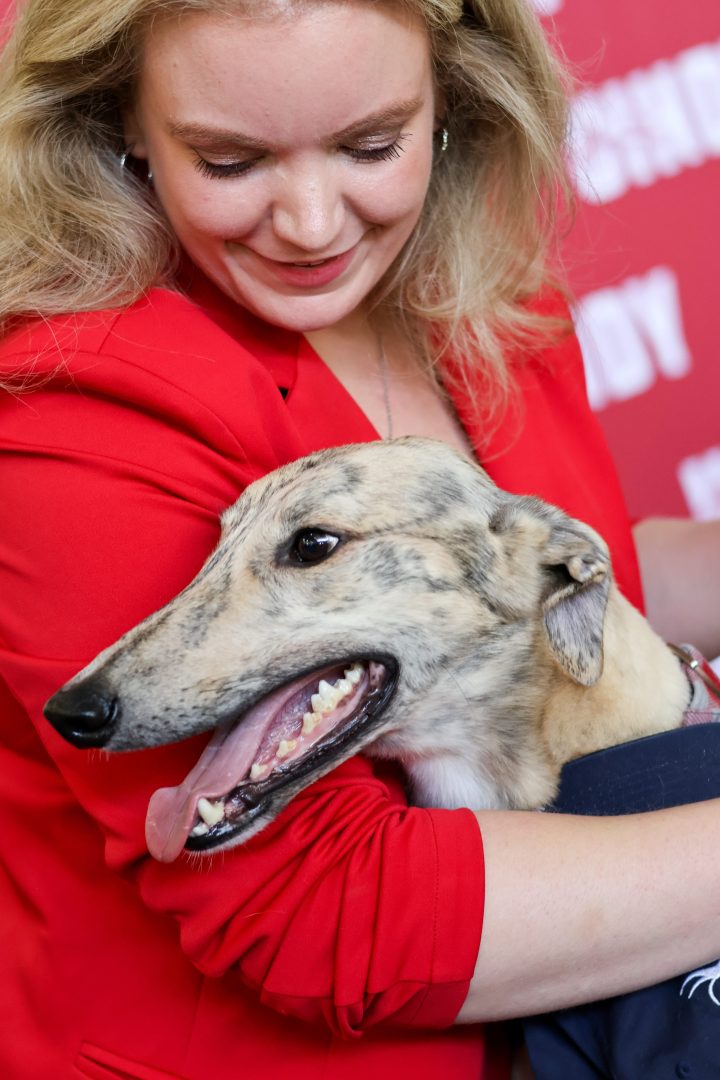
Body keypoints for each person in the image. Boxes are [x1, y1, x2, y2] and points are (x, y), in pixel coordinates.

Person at [0, 0, 719, 1077]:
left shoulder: (477, 289)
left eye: (371, 146)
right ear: (123, 119)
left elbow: (535, 573)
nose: (311, 221)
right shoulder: (75, 397)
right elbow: (335, 916)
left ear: (453, 95)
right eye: (230, 159)